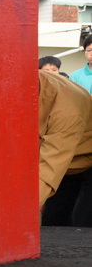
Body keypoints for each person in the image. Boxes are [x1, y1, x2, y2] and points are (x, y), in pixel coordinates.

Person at [38, 69, 92, 226]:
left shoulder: (67, 111)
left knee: (84, 225)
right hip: (64, 166)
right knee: (53, 222)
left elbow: (49, 168)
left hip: (85, 159)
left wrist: (15, 213)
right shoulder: (34, 77)